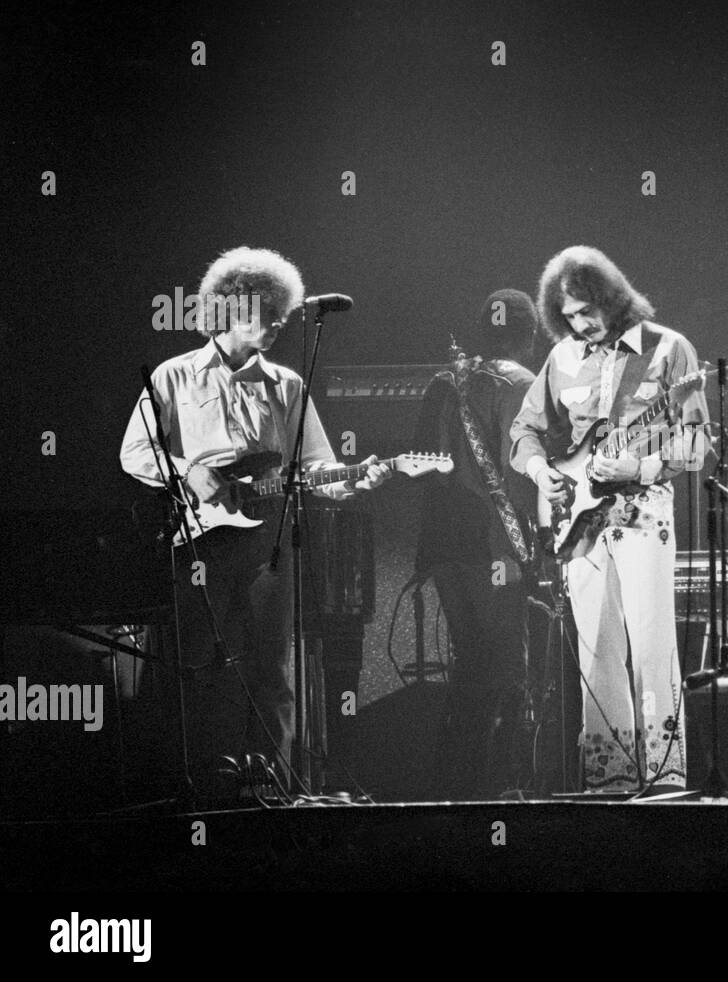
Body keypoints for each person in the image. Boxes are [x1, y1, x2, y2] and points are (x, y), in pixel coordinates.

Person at [120, 246, 390, 798]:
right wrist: (191, 473)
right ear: (224, 310)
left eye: (279, 314)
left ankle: (272, 786)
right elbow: (135, 452)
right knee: (198, 666)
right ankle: (199, 788)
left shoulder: (288, 385)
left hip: (268, 542)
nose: (273, 325)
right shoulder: (176, 376)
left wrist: (356, 478)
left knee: (273, 667)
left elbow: (316, 467)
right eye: (260, 313)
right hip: (200, 543)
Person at [509, 245, 708, 792]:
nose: (580, 323)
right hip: (579, 516)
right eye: (568, 315)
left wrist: (640, 464)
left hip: (644, 509)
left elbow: (697, 441)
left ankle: (666, 776)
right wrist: (538, 470)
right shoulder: (563, 358)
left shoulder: (668, 349)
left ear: (612, 298)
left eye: (587, 310)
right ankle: (610, 779)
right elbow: (524, 430)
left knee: (651, 643)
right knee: (596, 648)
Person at [412, 289, 538, 799]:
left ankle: (455, 790)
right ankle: (507, 788)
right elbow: (521, 473)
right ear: (530, 336)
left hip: (444, 546)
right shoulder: (521, 382)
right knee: (509, 665)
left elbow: (420, 467)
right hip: (495, 548)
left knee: (469, 664)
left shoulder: (441, 383)